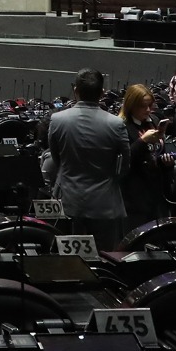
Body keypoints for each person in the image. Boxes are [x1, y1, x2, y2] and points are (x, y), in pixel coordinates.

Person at [44, 68, 129, 251]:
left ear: (75, 90)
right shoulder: (116, 124)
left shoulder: (57, 119)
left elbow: (57, 159)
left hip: (68, 200)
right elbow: (125, 166)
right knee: (104, 258)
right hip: (104, 204)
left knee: (66, 260)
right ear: (102, 93)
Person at [118, 84, 168, 233]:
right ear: (131, 105)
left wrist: (167, 162)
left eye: (150, 106)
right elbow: (122, 160)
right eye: (143, 106)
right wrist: (142, 141)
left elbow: (158, 151)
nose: (148, 110)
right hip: (133, 194)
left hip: (155, 191)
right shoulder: (122, 126)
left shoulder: (153, 121)